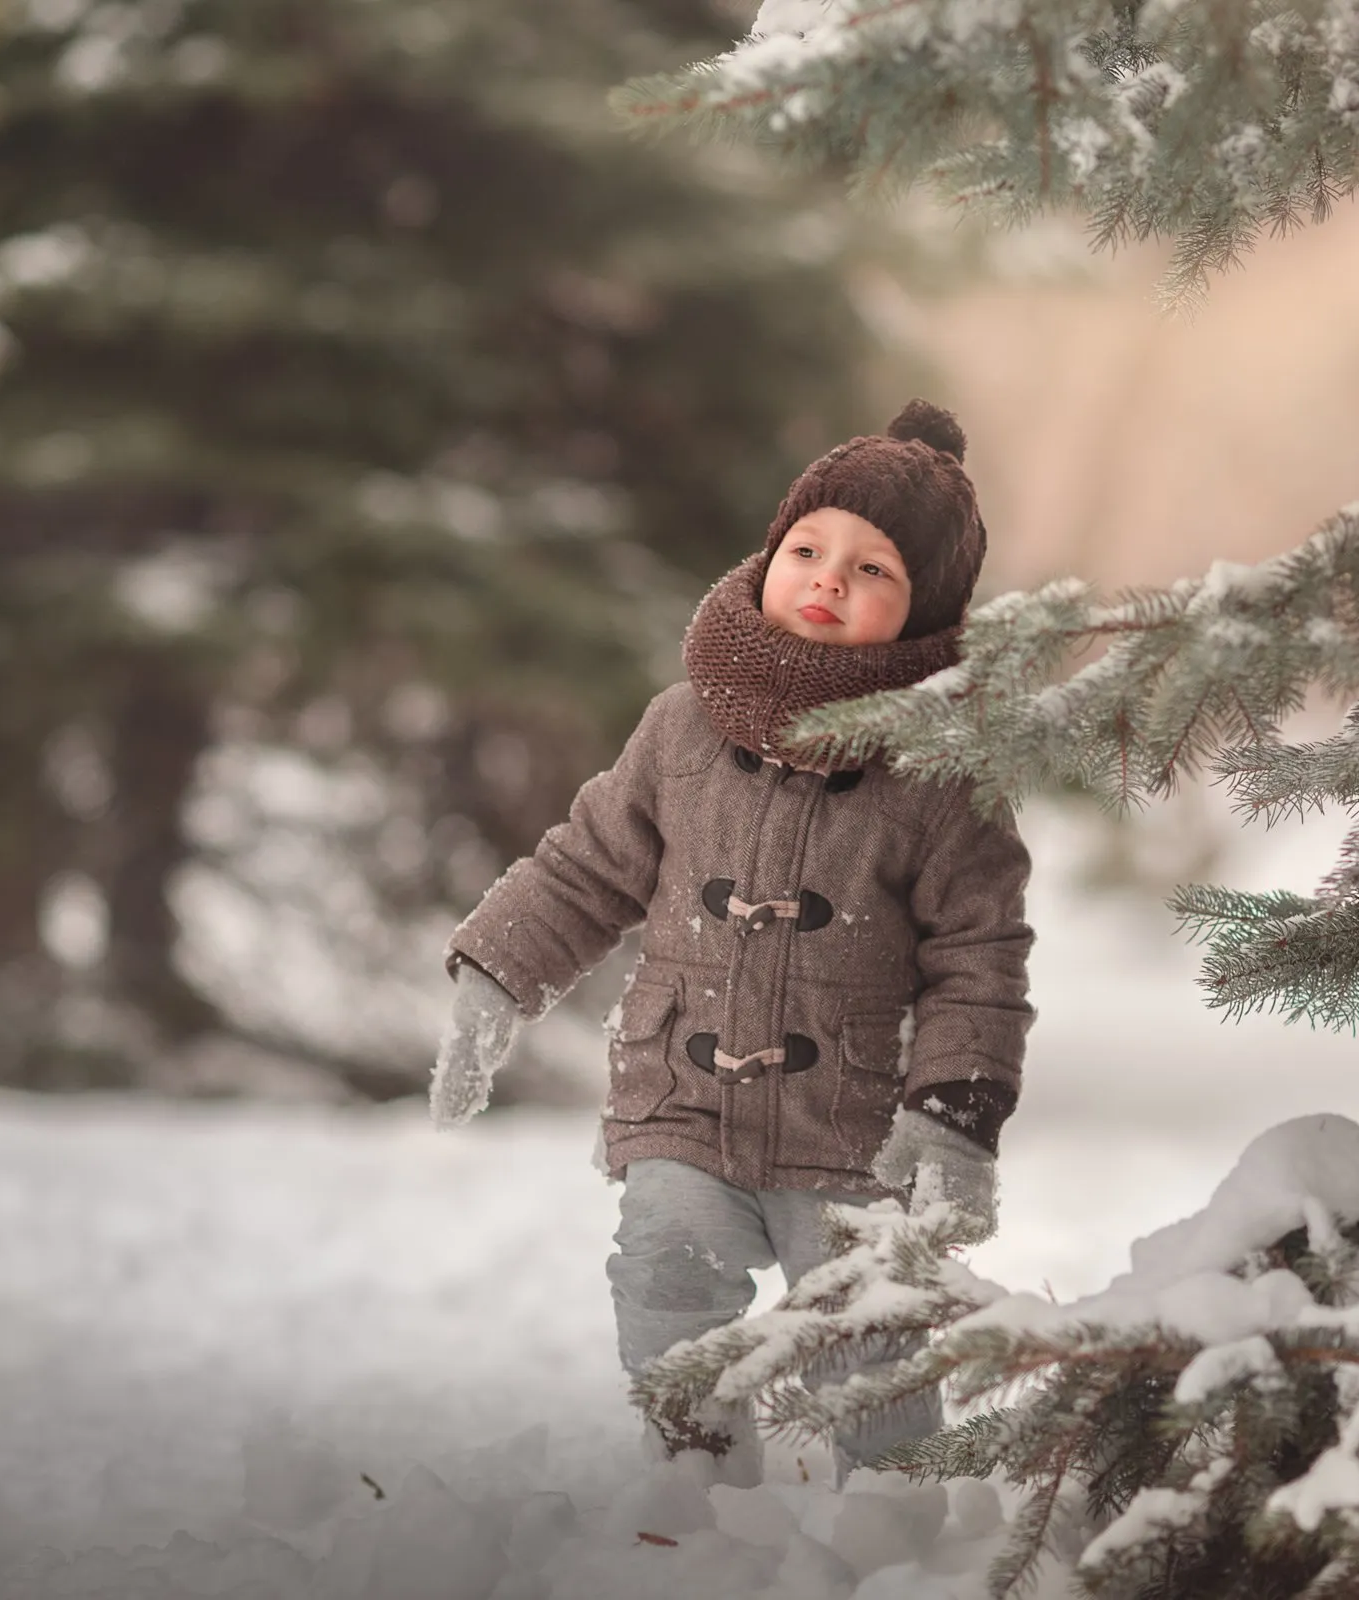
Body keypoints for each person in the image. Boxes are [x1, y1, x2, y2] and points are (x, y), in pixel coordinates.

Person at [428, 399, 1035, 1481]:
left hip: (846, 1128)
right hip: (684, 1098)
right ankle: (692, 1482)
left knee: (871, 1334)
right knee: (664, 1275)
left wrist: (954, 1118)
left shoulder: (942, 774)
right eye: (808, 549)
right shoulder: (682, 726)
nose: (830, 578)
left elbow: (978, 955)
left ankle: (890, 1512)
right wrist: (494, 975)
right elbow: (587, 865)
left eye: (873, 570)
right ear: (767, 558)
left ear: (927, 613)